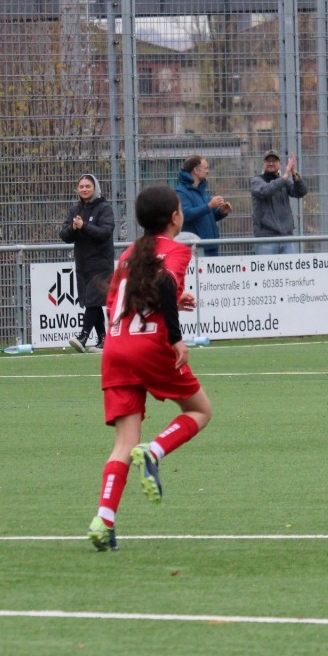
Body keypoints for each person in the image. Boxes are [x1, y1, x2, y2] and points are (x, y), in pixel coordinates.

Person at [87, 186, 212, 552]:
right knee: (200, 411)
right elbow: (165, 281)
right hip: (150, 346)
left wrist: (169, 300)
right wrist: (175, 337)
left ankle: (103, 520)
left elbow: (119, 302)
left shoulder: (129, 254)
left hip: (115, 349)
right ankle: (155, 451)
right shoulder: (177, 249)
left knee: (123, 443)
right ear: (175, 217)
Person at [59, 173, 116, 352]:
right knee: (93, 302)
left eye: (88, 186)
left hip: (101, 265)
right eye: (81, 186)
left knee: (92, 299)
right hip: (82, 265)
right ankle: (103, 340)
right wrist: (73, 228)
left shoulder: (104, 209)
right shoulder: (74, 210)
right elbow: (64, 236)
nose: (84, 189)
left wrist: (85, 226)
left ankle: (83, 337)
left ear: (95, 188)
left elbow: (105, 233)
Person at [250, 149, 308, 255]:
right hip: (265, 239)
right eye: (268, 160)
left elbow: (301, 192)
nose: (271, 163)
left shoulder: (284, 181)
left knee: (290, 266)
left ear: (280, 164)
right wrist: (285, 176)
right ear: (263, 164)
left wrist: (294, 172)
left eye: (274, 160)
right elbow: (266, 191)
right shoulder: (257, 181)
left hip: (286, 238)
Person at [175, 155, 231, 242]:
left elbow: (209, 216)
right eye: (205, 168)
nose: (208, 171)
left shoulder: (202, 191)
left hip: (210, 244)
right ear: (196, 170)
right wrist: (209, 206)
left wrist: (222, 212)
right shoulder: (181, 192)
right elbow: (185, 214)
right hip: (197, 246)